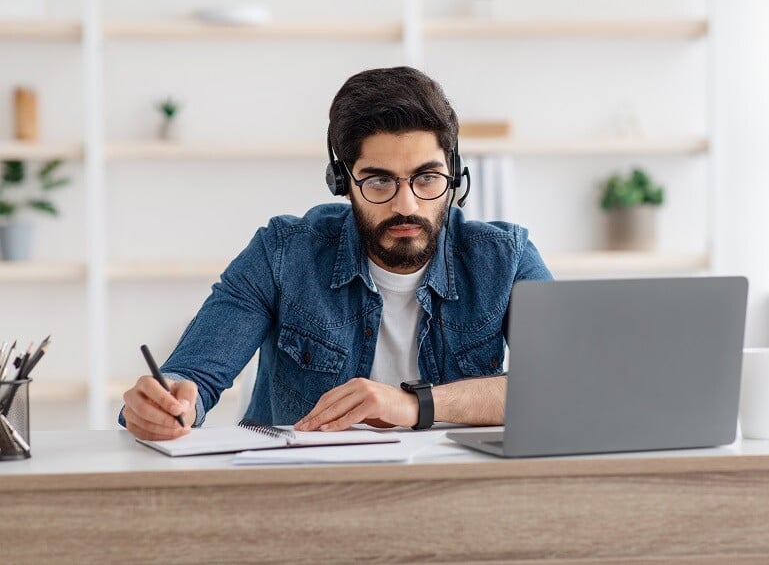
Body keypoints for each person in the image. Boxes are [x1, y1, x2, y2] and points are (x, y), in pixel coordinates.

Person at [120, 66, 552, 440]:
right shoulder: (283, 252)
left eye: (426, 178)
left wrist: (411, 404)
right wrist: (166, 404)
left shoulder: (506, 257)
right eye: (379, 181)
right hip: (305, 496)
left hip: (452, 494)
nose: (407, 205)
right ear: (342, 182)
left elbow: (564, 385)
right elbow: (193, 376)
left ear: (454, 175)